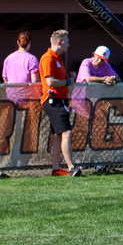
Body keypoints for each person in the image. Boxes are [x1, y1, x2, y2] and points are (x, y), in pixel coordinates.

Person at [39, 29, 80, 177]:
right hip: (53, 100)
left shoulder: (57, 58)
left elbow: (58, 79)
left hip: (60, 99)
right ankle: (71, 167)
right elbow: (50, 82)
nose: (68, 45)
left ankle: (56, 169)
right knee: (66, 132)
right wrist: (68, 81)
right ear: (59, 42)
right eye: (67, 41)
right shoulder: (48, 58)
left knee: (57, 134)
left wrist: (68, 76)